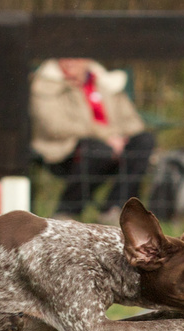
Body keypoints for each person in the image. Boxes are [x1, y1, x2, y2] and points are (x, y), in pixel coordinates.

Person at [30, 59, 155, 223]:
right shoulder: (44, 84)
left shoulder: (105, 83)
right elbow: (55, 126)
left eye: (76, 57)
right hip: (63, 150)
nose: (69, 62)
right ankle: (66, 212)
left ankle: (115, 209)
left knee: (144, 141)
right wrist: (107, 136)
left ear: (87, 59)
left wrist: (120, 140)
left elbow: (132, 121)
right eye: (64, 57)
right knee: (97, 150)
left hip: (112, 145)